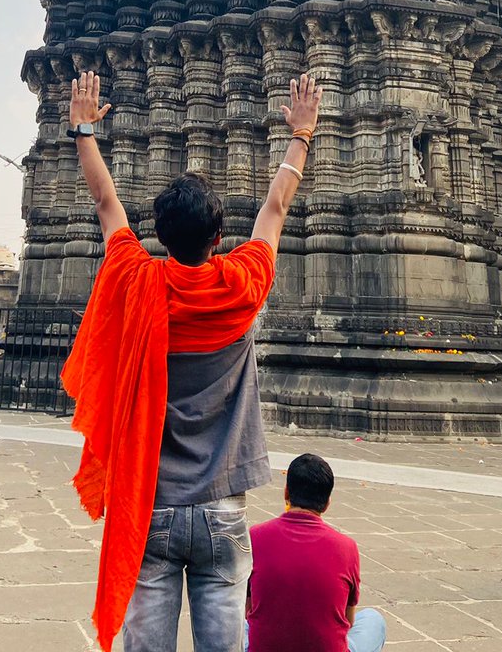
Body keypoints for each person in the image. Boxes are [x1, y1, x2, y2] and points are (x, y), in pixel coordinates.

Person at [61, 70, 322, 652]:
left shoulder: (137, 280)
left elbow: (106, 203)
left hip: (150, 504)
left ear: (160, 234)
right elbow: (276, 209)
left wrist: (84, 128)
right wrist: (301, 133)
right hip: (223, 508)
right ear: (219, 235)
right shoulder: (241, 283)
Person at [246, 454, 386, 652]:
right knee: (374, 620)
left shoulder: (255, 537)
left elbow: (248, 609)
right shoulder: (347, 547)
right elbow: (347, 620)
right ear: (327, 503)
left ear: (286, 493)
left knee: (243, 628)